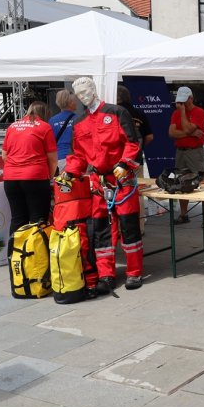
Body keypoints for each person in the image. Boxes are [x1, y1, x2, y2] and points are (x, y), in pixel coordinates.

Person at [61, 77, 144, 293]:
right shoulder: (79, 123)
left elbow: (132, 142)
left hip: (122, 181)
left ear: (94, 89)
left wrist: (125, 165)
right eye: (78, 94)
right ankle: (106, 275)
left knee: (128, 227)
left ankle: (134, 273)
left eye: (85, 90)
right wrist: (70, 173)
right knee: (102, 231)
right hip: (99, 184)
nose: (82, 96)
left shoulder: (116, 113)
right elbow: (77, 154)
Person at [2, 101, 58, 235]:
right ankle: (36, 255)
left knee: (17, 219)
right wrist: (49, 177)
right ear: (46, 114)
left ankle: (14, 254)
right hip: (35, 177)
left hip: (11, 179)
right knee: (37, 220)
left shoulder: (12, 126)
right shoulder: (45, 127)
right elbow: (53, 159)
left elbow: (4, 156)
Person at [168, 86, 204, 228]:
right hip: (180, 151)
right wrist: (190, 133)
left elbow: (186, 128)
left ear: (191, 98)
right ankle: (183, 214)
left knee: (202, 181)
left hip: (195, 151)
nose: (181, 105)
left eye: (184, 101)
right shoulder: (175, 113)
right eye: (179, 102)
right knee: (180, 180)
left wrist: (182, 115)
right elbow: (172, 133)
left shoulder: (199, 112)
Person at [117, 85, 154, 232]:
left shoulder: (114, 113)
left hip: (118, 162)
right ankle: (140, 227)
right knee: (137, 192)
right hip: (136, 160)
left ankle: (121, 227)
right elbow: (150, 137)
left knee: (118, 191)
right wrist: (140, 148)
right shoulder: (139, 113)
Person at [48, 90, 78, 174]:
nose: (76, 103)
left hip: (58, 158)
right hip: (75, 158)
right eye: (75, 101)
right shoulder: (79, 119)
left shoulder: (52, 121)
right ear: (70, 103)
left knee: (62, 185)